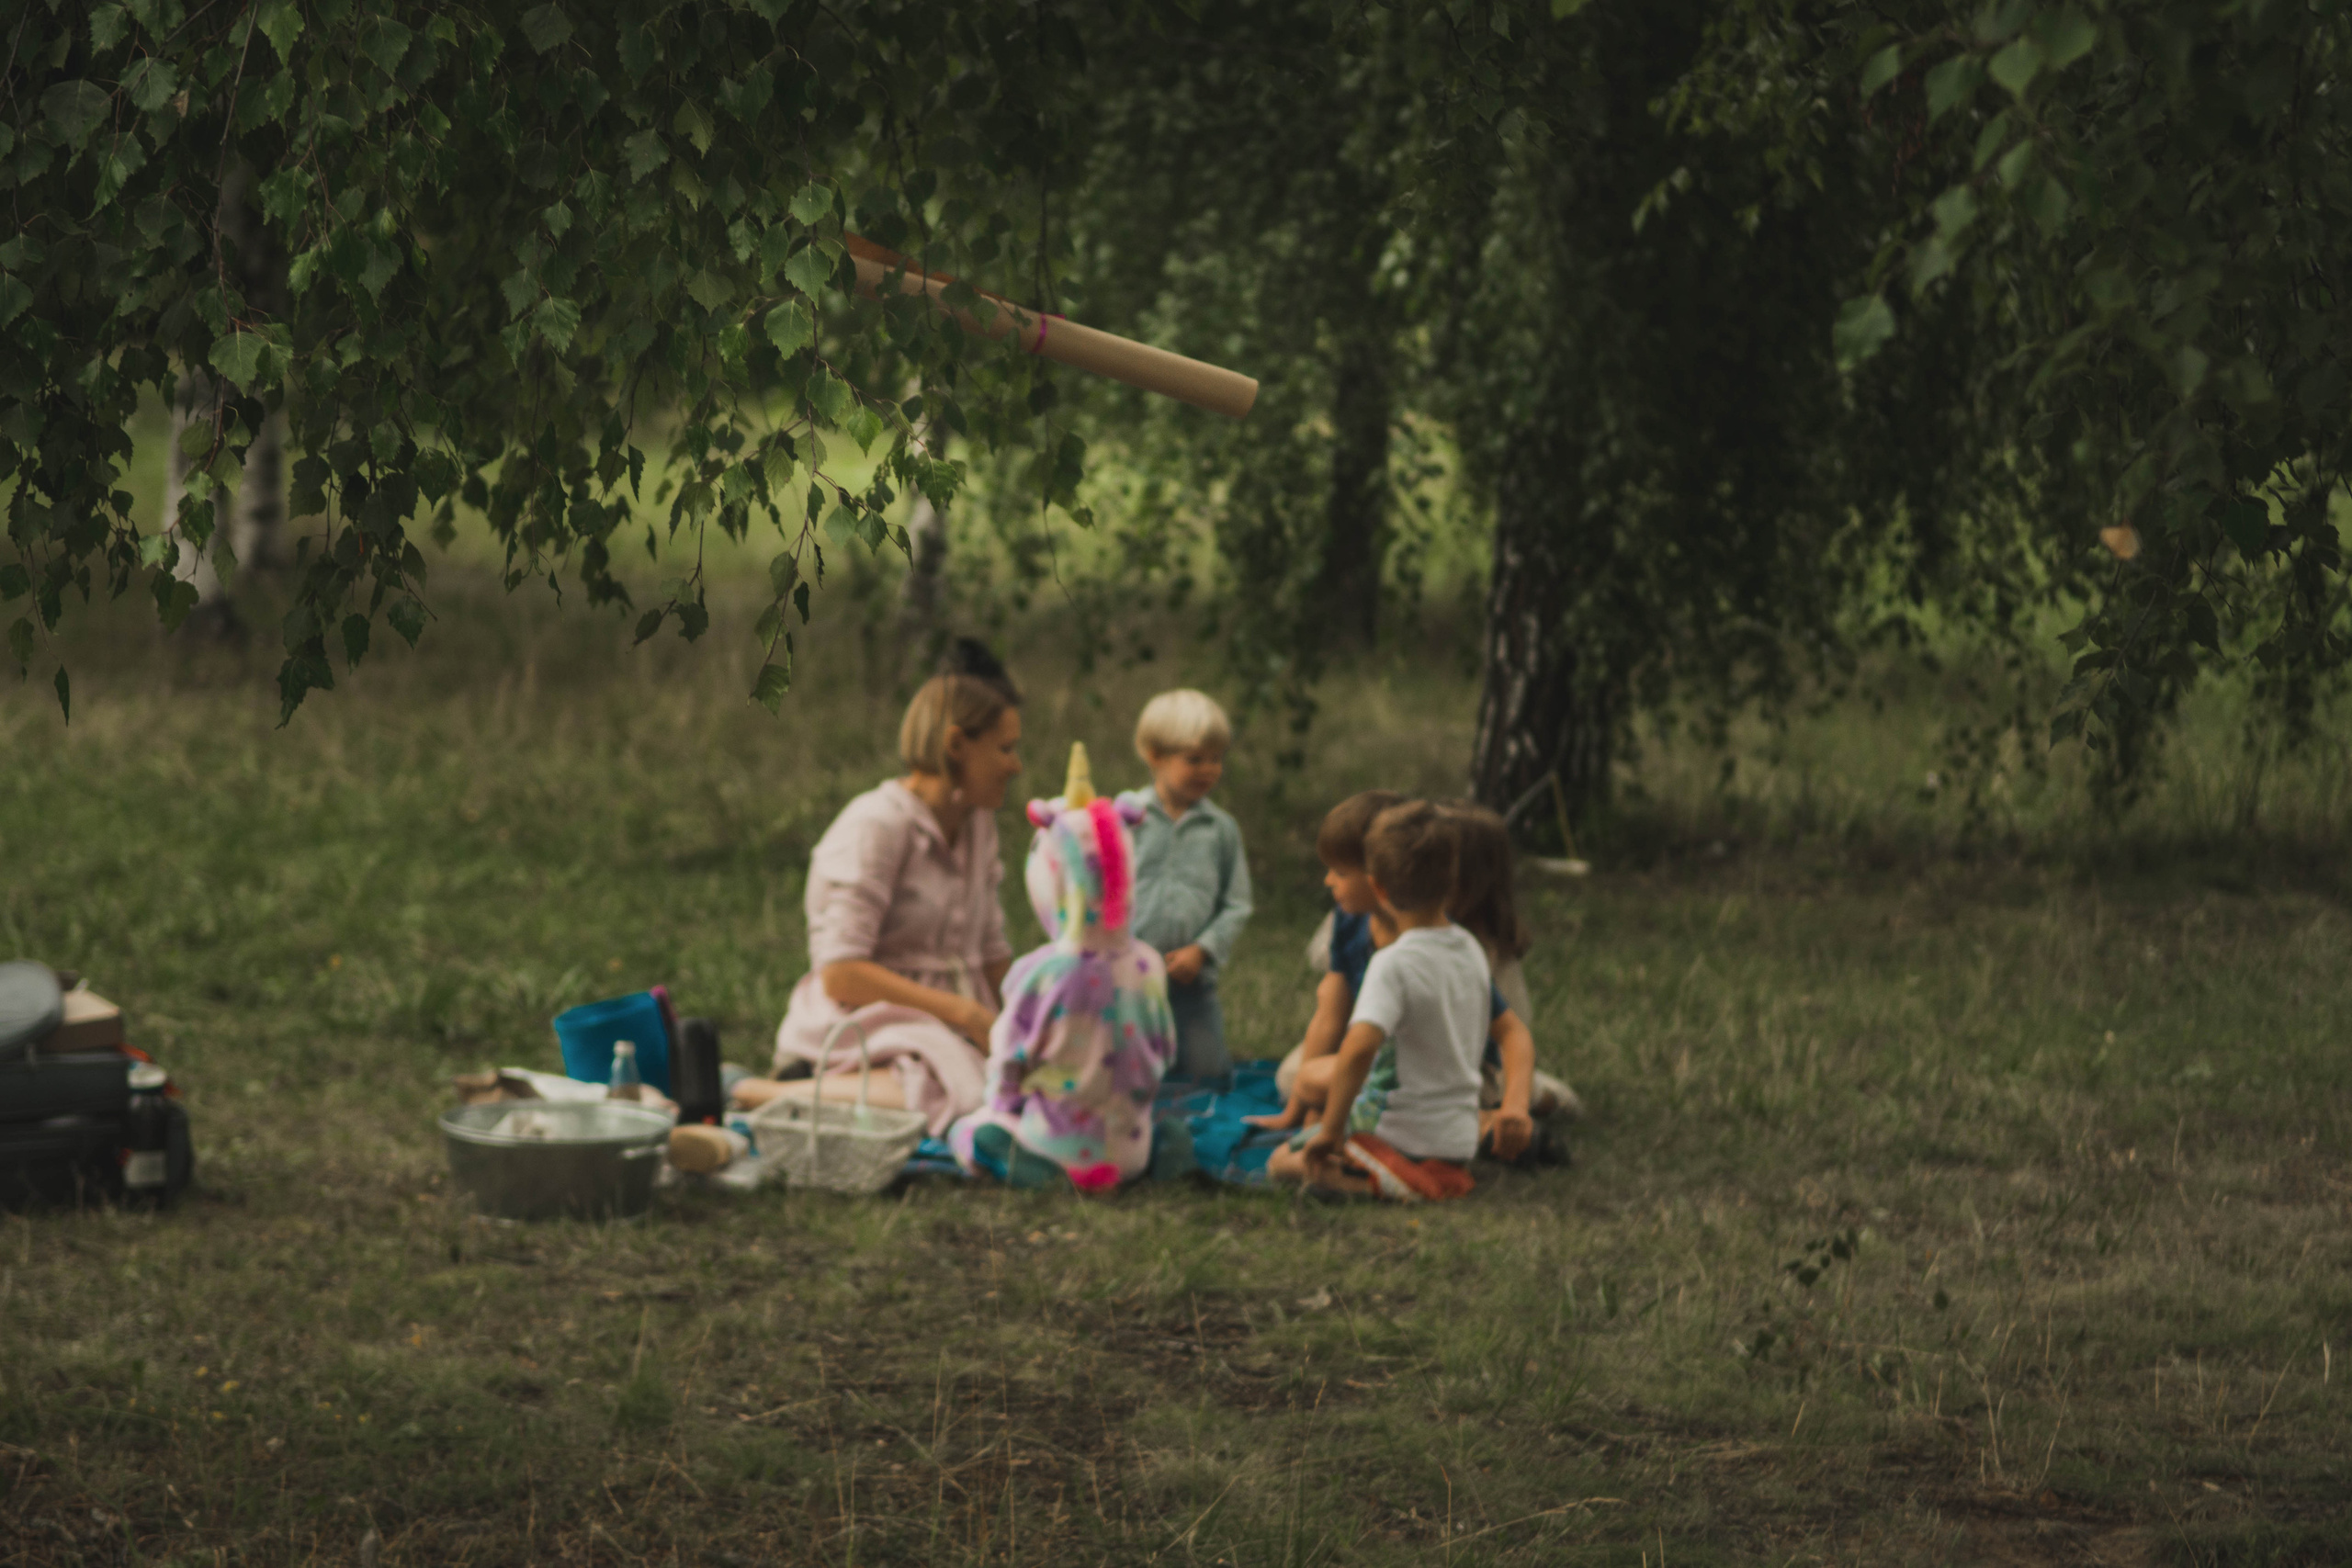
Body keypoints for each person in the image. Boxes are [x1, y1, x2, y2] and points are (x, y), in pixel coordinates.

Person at [731, 641, 1023, 1134]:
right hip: (869, 1018)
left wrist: (1026, 1025)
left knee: (1025, 1085)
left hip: (950, 1025)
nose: (1014, 766)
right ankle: (762, 1093)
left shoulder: (977, 824)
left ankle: (843, 1096)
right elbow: (842, 974)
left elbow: (992, 950)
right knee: (959, 1093)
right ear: (956, 746)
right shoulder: (877, 825)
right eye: (1005, 749)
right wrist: (965, 1014)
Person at [1255, 791, 1542, 1161]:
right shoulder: (1360, 924)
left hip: (1451, 1073)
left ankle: (1502, 1115)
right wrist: (1293, 1113)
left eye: (1341, 872)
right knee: (1300, 1077)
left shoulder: (1416, 954)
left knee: (1307, 1116)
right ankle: (1478, 1125)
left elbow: (1360, 1050)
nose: (1328, 881)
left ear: (1377, 878)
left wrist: (1330, 1130)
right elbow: (1332, 1014)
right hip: (1401, 1073)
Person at [949, 744, 1180, 1190]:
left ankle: (1036, 1170)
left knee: (973, 1134)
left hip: (1056, 1143)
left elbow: (1008, 1062)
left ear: (1053, 878)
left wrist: (1000, 1109)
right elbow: (1165, 1050)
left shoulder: (1038, 974)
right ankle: (1162, 1158)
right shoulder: (1150, 965)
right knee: (1169, 1129)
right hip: (1130, 1148)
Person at [1267, 801, 1486, 1201]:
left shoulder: (1392, 963)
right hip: (1459, 1139)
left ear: (1379, 888)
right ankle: (1435, 1172)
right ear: (1451, 882)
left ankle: (1381, 1181)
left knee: (1283, 1160)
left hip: (1401, 1133)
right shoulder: (1471, 949)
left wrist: (1331, 1131)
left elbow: (1358, 1050)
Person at [1118, 689, 1251, 1085]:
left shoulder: (1220, 829)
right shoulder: (1127, 818)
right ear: (1154, 755)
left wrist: (1203, 951)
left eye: (1216, 759)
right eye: (1194, 759)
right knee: (1128, 1074)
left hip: (1192, 983)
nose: (1208, 769)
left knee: (1209, 1076)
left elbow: (1237, 903)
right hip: (1131, 980)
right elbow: (1099, 886)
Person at [1439, 801, 1583, 1144]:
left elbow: (1514, 1031)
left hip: (1476, 1072)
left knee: (1508, 1090)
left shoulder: (1489, 952)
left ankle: (1549, 1099)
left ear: (1470, 881)